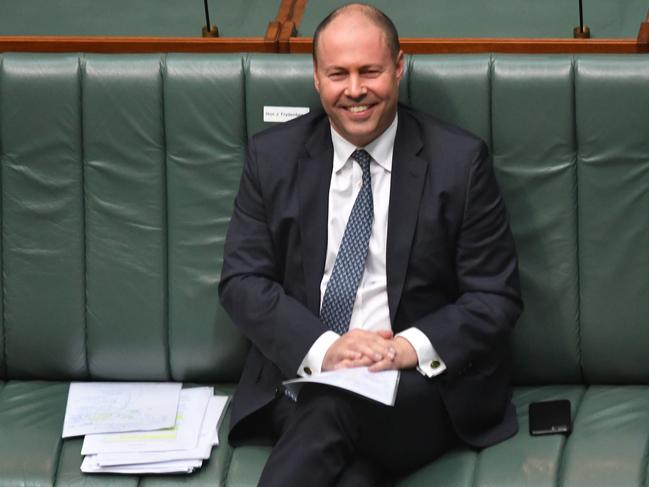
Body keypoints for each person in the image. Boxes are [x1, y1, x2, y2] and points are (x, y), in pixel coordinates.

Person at [219, 3, 523, 485]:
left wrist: (405, 348)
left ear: (399, 68)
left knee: (332, 407)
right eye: (338, 73)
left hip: (416, 389)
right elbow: (242, 282)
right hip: (304, 377)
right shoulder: (272, 158)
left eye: (370, 71)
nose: (355, 90)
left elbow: (495, 297)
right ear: (316, 78)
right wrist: (328, 349)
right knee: (349, 467)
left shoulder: (458, 163)